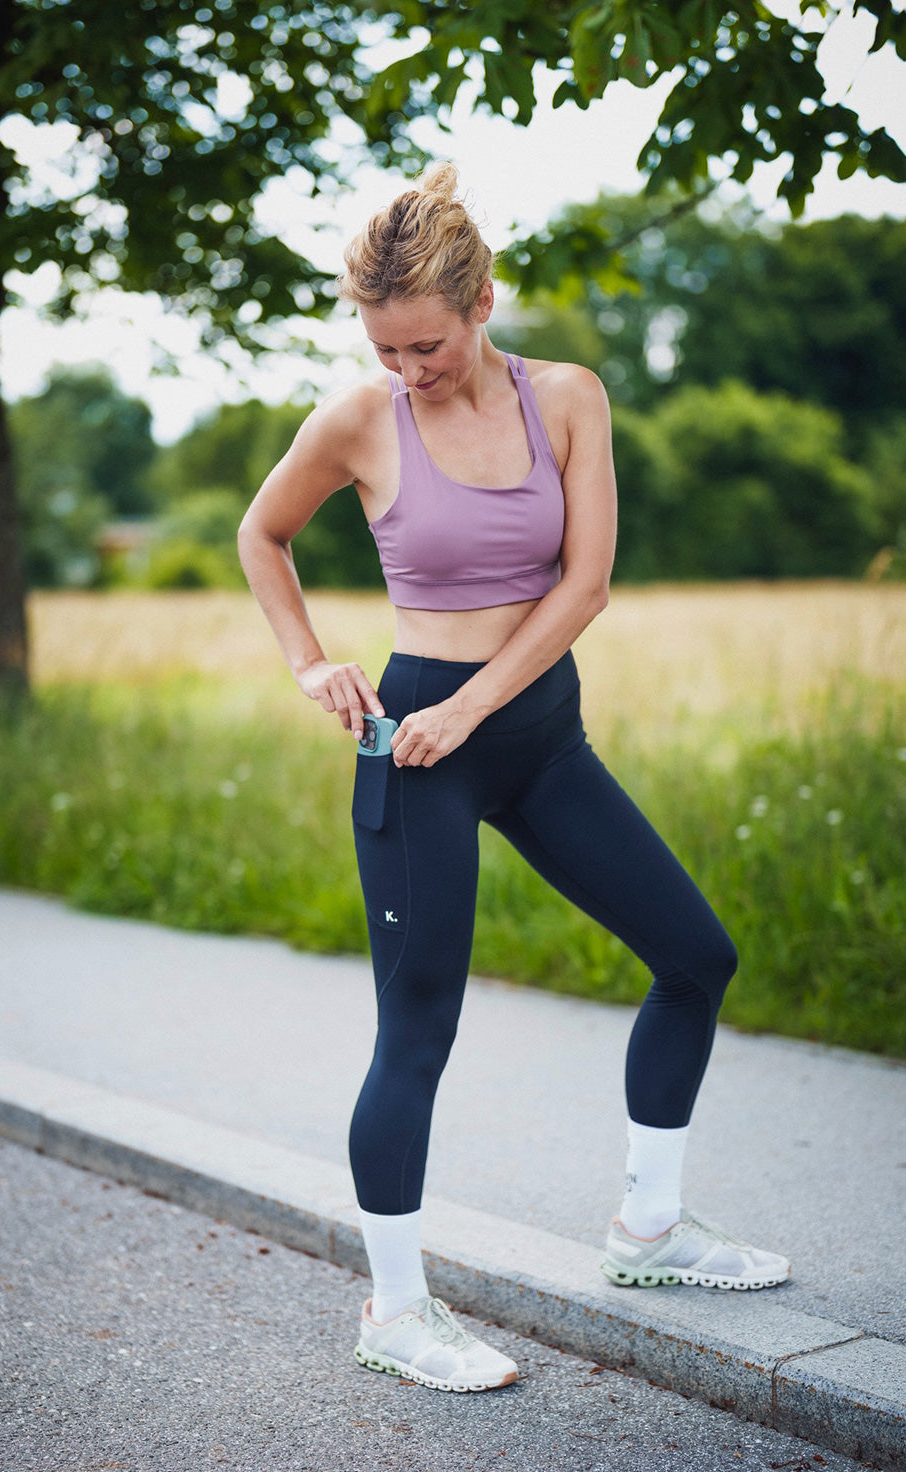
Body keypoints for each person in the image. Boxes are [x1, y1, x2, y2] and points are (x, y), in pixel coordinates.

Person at [237, 164, 789, 1395]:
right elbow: (260, 534)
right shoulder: (361, 418)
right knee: (417, 1030)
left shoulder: (569, 400)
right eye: (385, 347)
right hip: (415, 751)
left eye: (426, 344)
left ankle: (649, 1230)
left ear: (484, 300)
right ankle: (396, 1310)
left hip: (534, 736)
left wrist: (481, 705)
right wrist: (309, 660)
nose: (407, 371)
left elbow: (584, 582)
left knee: (697, 958)